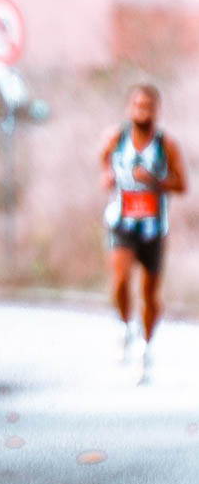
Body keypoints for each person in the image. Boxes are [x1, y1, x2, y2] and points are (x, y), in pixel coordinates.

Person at [100, 84, 187, 382]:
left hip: (153, 226)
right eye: (137, 105)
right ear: (129, 108)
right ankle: (125, 325)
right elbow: (104, 160)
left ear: (156, 110)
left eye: (148, 106)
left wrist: (155, 181)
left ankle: (145, 349)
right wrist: (108, 175)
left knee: (149, 293)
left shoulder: (166, 144)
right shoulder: (117, 137)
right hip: (122, 222)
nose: (142, 111)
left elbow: (181, 184)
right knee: (121, 280)